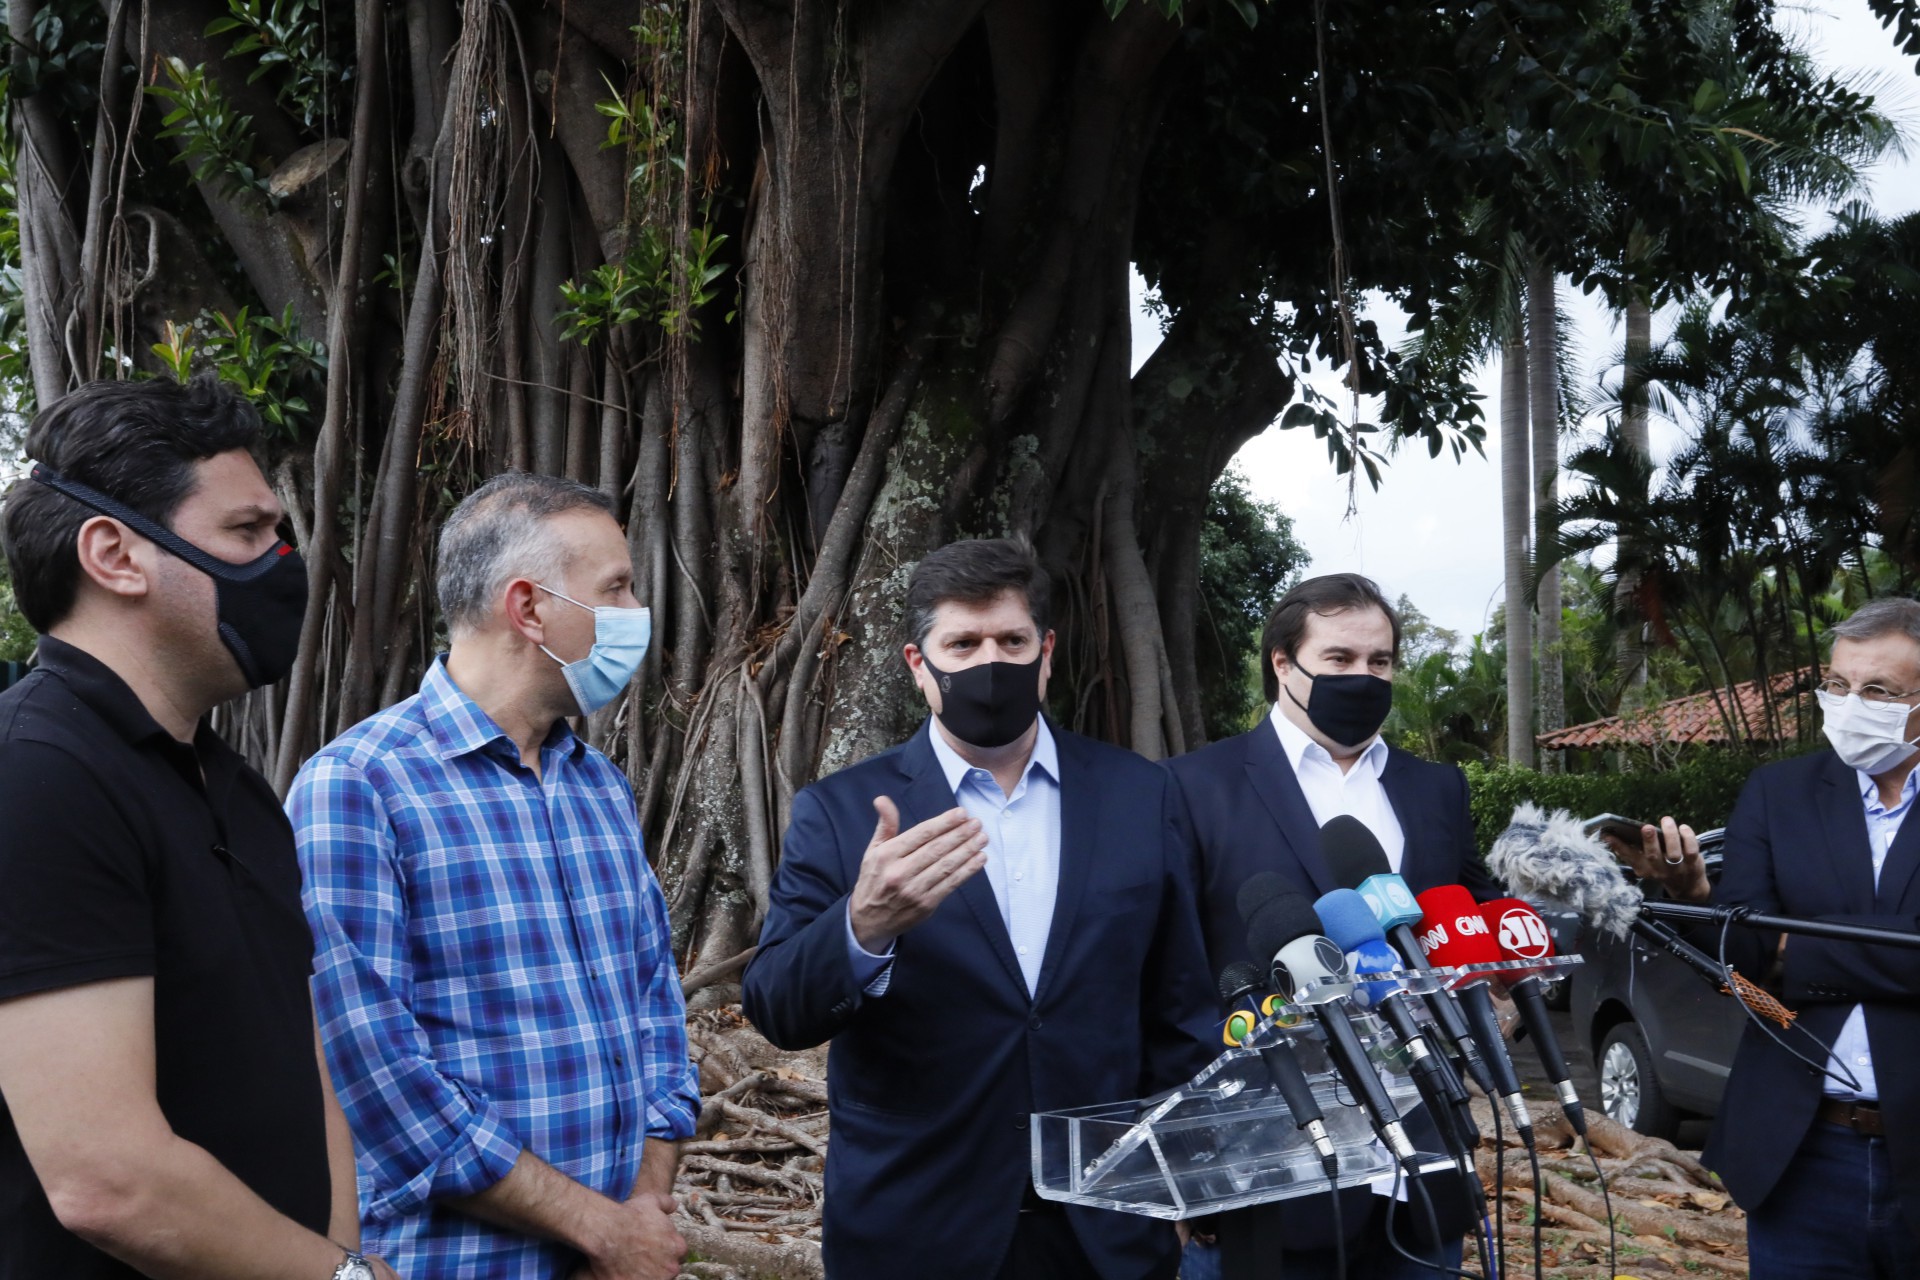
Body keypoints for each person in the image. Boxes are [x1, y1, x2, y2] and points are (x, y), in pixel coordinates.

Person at [0, 377, 396, 1280]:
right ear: (115, 554)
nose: (283, 561)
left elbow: (309, 1062)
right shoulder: (37, 775)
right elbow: (106, 1178)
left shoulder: (236, 785)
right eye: (248, 532)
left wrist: (336, 1257)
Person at [741, 538, 1217, 1280]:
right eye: (962, 643)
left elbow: (1179, 1008)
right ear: (918, 665)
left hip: (1109, 1234)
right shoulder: (839, 813)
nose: (990, 662)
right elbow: (776, 1005)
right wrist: (862, 926)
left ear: (1047, 651)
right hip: (918, 1229)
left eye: (1011, 640)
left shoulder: (1139, 795)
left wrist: (1188, 1189)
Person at [290, 472, 698, 1280]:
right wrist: (599, 1230)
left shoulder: (599, 785)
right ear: (530, 607)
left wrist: (639, 1216)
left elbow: (657, 1008)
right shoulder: (361, 786)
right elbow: (377, 1076)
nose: (634, 611)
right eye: (614, 588)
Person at [1165, 573, 1495, 1280]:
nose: (1364, 677)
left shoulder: (1437, 788)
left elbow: (1474, 916)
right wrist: (1183, 1161)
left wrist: (1497, 990)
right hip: (1266, 1173)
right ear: (1283, 664)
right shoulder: (1192, 787)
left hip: (1422, 1173)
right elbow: (1164, 973)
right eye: (1340, 660)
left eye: (1379, 662)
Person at [1622, 597, 1920, 1279]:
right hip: (1802, 1154)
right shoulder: (1779, 793)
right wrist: (1695, 895)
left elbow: (1781, 948)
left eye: (1876, 690)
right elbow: (1744, 966)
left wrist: (1800, 953)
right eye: (1837, 685)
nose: (1850, 705)